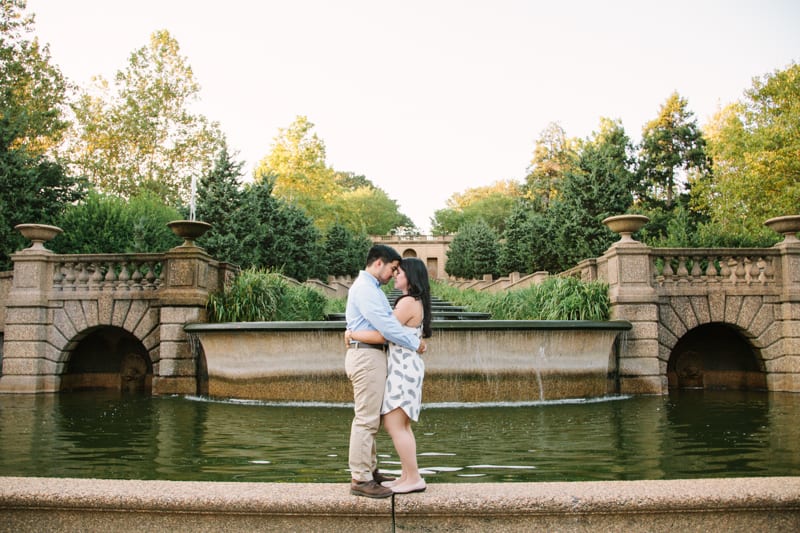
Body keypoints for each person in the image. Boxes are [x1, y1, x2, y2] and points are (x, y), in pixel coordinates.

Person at [345, 245, 426, 499]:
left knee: (371, 419)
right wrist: (416, 343)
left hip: (373, 354)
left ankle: (369, 471)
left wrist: (352, 333)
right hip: (366, 355)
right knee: (366, 419)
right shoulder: (366, 289)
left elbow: (388, 327)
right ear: (379, 263)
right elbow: (387, 328)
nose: (393, 274)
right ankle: (360, 478)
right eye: (393, 268)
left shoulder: (373, 289)